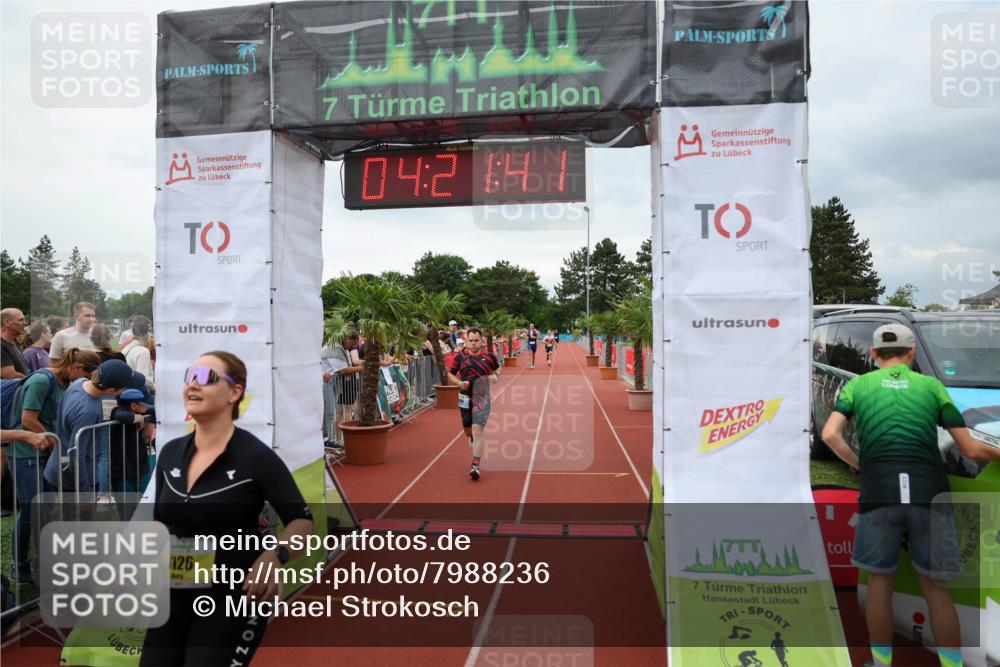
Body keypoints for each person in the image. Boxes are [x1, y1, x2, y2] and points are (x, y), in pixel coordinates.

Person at [822, 323, 1000, 667]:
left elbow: (830, 435)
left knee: (879, 584)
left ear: (873, 354)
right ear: (911, 353)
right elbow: (971, 450)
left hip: (879, 492)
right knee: (936, 588)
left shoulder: (858, 386)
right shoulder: (932, 387)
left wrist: (861, 464)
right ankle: (951, 665)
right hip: (929, 493)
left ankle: (881, 662)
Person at [140, 351, 314, 667]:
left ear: (234, 393)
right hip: (174, 593)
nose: (193, 384)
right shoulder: (170, 453)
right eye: (189, 376)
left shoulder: (255, 457)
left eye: (206, 378)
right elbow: (162, 524)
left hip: (233, 598)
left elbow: (301, 521)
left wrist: (276, 555)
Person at [6, 348, 101, 581]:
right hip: (25, 454)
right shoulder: (41, 381)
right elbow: (28, 419)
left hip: (45, 453)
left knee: (44, 510)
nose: (86, 382)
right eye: (86, 377)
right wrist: (54, 440)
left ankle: (43, 563)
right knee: (31, 510)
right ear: (77, 368)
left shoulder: (64, 383)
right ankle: (18, 566)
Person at [43, 359, 136, 494]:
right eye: (124, 388)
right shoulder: (88, 411)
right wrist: (84, 492)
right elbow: (76, 454)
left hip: (61, 468)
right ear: (111, 390)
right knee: (78, 516)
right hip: (75, 480)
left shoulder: (79, 383)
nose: (125, 390)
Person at [447, 328, 500, 481]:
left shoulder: (489, 357)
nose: (474, 343)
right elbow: (450, 374)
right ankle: (471, 438)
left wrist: (495, 375)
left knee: (478, 430)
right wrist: (459, 383)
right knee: (468, 431)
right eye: (471, 340)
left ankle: (475, 465)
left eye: (476, 340)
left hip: (482, 397)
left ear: (482, 341)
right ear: (466, 341)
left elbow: (498, 368)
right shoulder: (460, 356)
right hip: (464, 396)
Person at [122, 316, 155, 392]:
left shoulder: (127, 347)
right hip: (138, 393)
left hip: (128, 390)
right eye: (149, 331)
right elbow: (144, 379)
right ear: (141, 333)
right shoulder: (143, 351)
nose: (151, 335)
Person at [0, 308, 28, 380]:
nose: (25, 323)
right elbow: (10, 376)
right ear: (7, 323)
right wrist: (32, 380)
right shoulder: (1, 346)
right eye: (21, 320)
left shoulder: (15, 344)